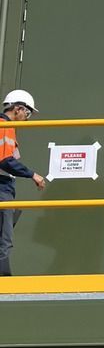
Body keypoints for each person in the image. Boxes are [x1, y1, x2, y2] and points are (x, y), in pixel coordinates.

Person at [0, 90, 46, 276]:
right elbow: (5, 160)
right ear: (18, 108)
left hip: (5, 186)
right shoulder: (5, 127)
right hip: (2, 187)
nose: (27, 118)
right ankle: (4, 281)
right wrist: (32, 174)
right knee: (4, 238)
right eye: (27, 113)